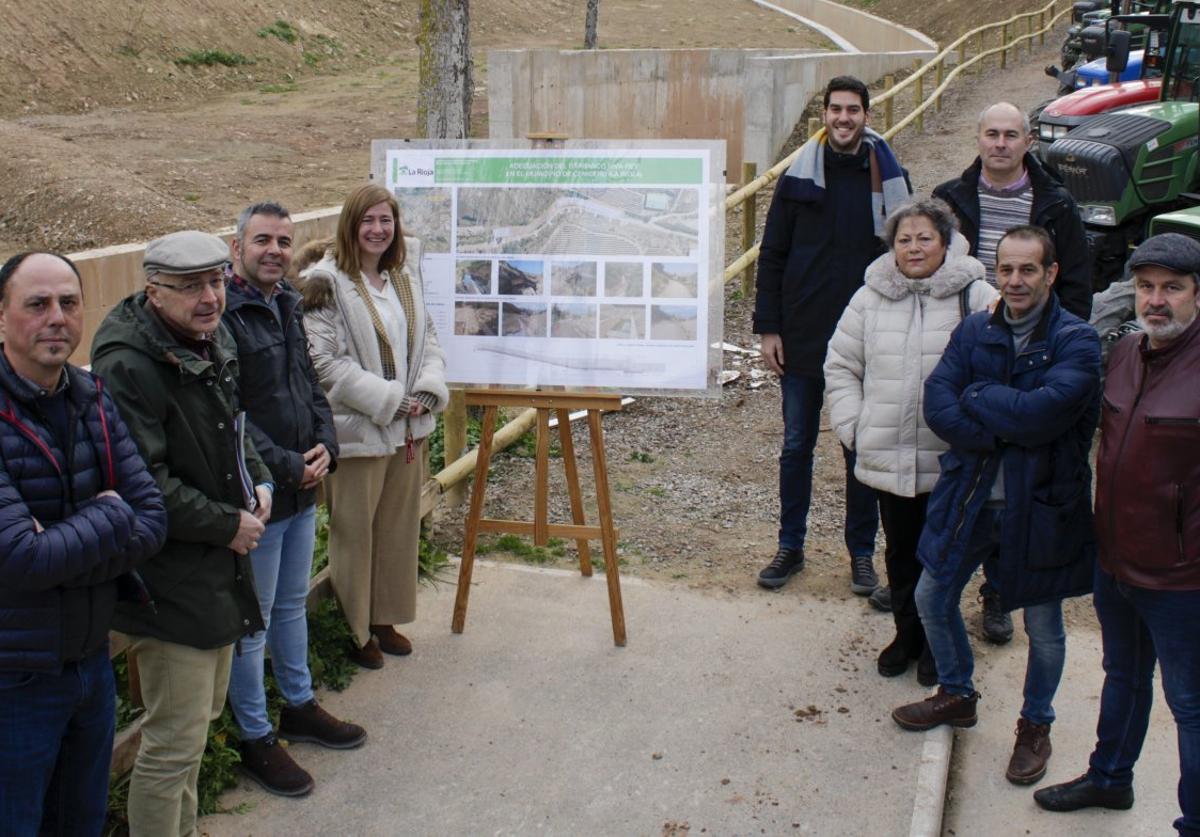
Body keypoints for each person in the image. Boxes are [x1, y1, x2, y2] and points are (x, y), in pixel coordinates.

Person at [891, 226, 1101, 789]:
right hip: (971, 496)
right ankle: (958, 692)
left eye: (1027, 270)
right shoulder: (974, 331)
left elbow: (1047, 413)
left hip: (1042, 508)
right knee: (931, 595)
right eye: (1005, 269)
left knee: (1044, 626)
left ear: (1051, 273)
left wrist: (980, 398)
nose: (1014, 281)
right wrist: (1001, 430)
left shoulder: (1078, 341)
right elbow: (939, 402)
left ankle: (1036, 724)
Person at [90, 230, 274, 836]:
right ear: (154, 291)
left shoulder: (206, 338)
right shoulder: (128, 365)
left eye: (217, 281)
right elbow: (145, 481)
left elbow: (234, 428)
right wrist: (229, 524)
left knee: (193, 735)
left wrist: (264, 480)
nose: (210, 297)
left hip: (212, 573)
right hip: (170, 585)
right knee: (170, 748)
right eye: (191, 285)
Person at [1035, 233, 1200, 836]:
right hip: (1118, 562)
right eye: (1147, 287)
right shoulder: (1127, 352)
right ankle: (1110, 778)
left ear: (1197, 296)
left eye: (1173, 289)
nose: (1157, 301)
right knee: (1123, 677)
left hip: (1183, 579)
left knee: (1191, 707)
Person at [0, 252, 166, 836]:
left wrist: (68, 543)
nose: (58, 318)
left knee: (81, 822)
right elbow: (21, 557)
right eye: (37, 304)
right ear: (1, 317)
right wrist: (108, 515)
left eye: (69, 303)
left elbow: (151, 518)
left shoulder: (92, 396)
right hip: (16, 680)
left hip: (90, 667)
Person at [932, 101, 1094, 645]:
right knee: (977, 478)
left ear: (1028, 141)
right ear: (978, 140)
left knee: (1024, 479)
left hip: (1039, 344)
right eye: (991, 134)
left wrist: (1060, 344)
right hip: (978, 337)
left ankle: (999, 593)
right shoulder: (951, 200)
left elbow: (1075, 285)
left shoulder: (1056, 204)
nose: (1000, 144)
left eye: (1011, 135)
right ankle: (948, 580)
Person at [222, 202, 366, 797]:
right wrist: (286, 467)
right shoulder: (224, 314)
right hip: (258, 497)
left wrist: (326, 446)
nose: (275, 250)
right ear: (238, 249)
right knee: (251, 624)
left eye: (284, 240)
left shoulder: (287, 304)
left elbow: (308, 384)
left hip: (302, 487)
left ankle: (299, 705)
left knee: (288, 606)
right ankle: (255, 736)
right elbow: (230, 411)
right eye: (262, 240)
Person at [752, 75, 912, 598]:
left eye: (853, 110)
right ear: (824, 114)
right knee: (797, 445)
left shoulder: (890, 179)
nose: (844, 119)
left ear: (867, 115)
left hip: (864, 341)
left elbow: (906, 260)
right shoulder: (797, 181)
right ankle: (790, 545)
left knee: (858, 449)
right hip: (801, 333)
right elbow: (773, 254)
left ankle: (862, 554)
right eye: (835, 109)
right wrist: (768, 328)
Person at [824, 199, 996, 685]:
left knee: (941, 558)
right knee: (900, 552)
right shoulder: (869, 297)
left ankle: (938, 643)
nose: (914, 247)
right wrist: (853, 426)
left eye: (925, 238)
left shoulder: (978, 295)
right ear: (891, 246)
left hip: (950, 460)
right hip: (886, 453)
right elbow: (841, 365)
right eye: (904, 239)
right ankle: (907, 635)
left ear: (946, 242)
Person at [299, 183, 448, 669]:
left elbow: (426, 340)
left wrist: (426, 390)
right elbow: (324, 363)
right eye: (368, 221)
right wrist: (391, 400)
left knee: (397, 529)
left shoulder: (401, 277)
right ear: (350, 225)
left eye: (386, 220)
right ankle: (354, 628)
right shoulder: (326, 282)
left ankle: (385, 618)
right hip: (360, 433)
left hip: (408, 431)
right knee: (355, 534)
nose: (378, 230)